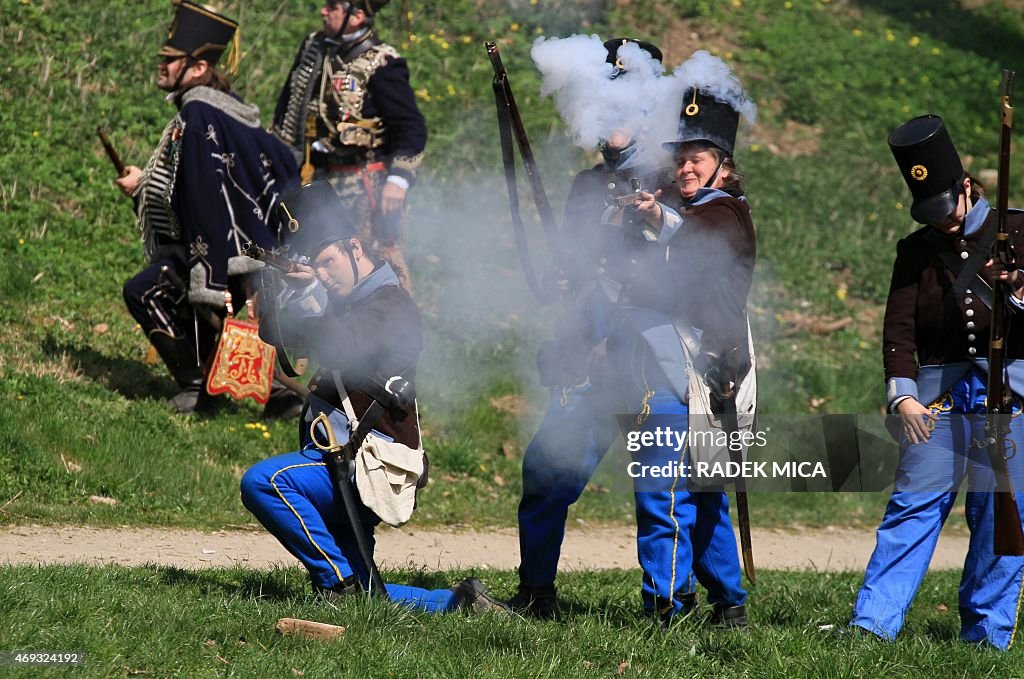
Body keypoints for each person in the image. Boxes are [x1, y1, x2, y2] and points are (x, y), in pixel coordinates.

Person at [240, 181, 507, 613]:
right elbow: (276, 334)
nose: (324, 275)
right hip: (338, 459)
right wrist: (282, 287)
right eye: (317, 267)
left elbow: (342, 345)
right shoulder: (337, 303)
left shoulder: (391, 305)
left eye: (329, 262)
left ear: (355, 248)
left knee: (265, 482)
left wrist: (311, 294)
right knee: (367, 599)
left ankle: (336, 581)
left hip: (367, 462)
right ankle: (458, 603)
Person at [512, 38, 682, 620]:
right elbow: (578, 277)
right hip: (595, 350)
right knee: (544, 469)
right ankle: (536, 592)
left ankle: (671, 607)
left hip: (658, 356)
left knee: (662, 495)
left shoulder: (676, 177)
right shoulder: (587, 187)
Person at [849, 115, 1024, 649]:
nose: (942, 222)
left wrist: (1014, 289)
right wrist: (902, 395)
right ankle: (872, 625)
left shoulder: (1018, 232)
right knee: (911, 509)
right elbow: (898, 330)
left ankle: (986, 634)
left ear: (967, 188)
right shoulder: (916, 250)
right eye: (931, 213)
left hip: (1010, 397)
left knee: (1000, 521)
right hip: (940, 401)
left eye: (946, 208)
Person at [612, 74, 757, 628]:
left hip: (698, 373)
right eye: (681, 159)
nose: (686, 168)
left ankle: (665, 607)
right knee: (704, 493)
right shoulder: (690, 206)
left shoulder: (725, 214)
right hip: (702, 370)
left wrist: (658, 219)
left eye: (697, 157)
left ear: (723, 162)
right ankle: (730, 602)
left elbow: (695, 245)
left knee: (662, 489)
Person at [115, 1, 299, 415]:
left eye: (171, 60)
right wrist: (144, 184)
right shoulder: (237, 118)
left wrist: (210, 272)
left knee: (145, 291)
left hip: (223, 253)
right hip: (256, 255)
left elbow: (198, 193)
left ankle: (198, 385)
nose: (162, 66)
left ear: (197, 69)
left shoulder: (197, 115)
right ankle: (277, 392)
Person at [272, 0, 426, 291]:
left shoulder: (383, 63)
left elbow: (411, 128)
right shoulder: (315, 49)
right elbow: (287, 113)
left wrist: (398, 180)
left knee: (377, 260)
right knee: (321, 262)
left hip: (366, 183)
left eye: (333, 6)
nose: (323, 11)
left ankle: (396, 330)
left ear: (356, 16)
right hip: (319, 178)